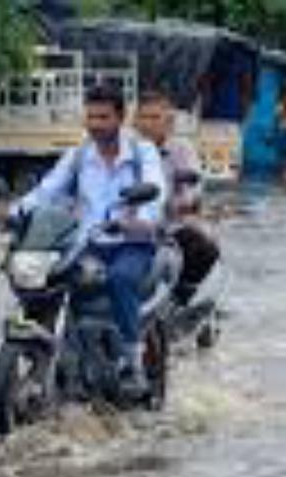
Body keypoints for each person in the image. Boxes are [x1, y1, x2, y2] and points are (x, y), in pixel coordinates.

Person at [13, 83, 167, 395]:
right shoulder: (79, 155)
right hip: (88, 243)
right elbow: (48, 190)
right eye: (91, 117)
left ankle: (131, 361)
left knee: (121, 278)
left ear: (120, 118)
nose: (95, 125)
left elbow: (155, 189)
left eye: (103, 117)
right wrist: (17, 212)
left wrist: (138, 220)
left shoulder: (142, 152)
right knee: (46, 277)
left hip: (131, 243)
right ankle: (50, 347)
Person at [133, 90, 221, 302]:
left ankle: (182, 294)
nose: (148, 124)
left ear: (168, 122)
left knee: (202, 248)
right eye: (144, 117)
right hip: (131, 225)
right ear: (135, 121)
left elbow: (193, 190)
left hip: (170, 224)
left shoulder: (182, 150)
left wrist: (176, 203)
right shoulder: (126, 149)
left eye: (155, 118)